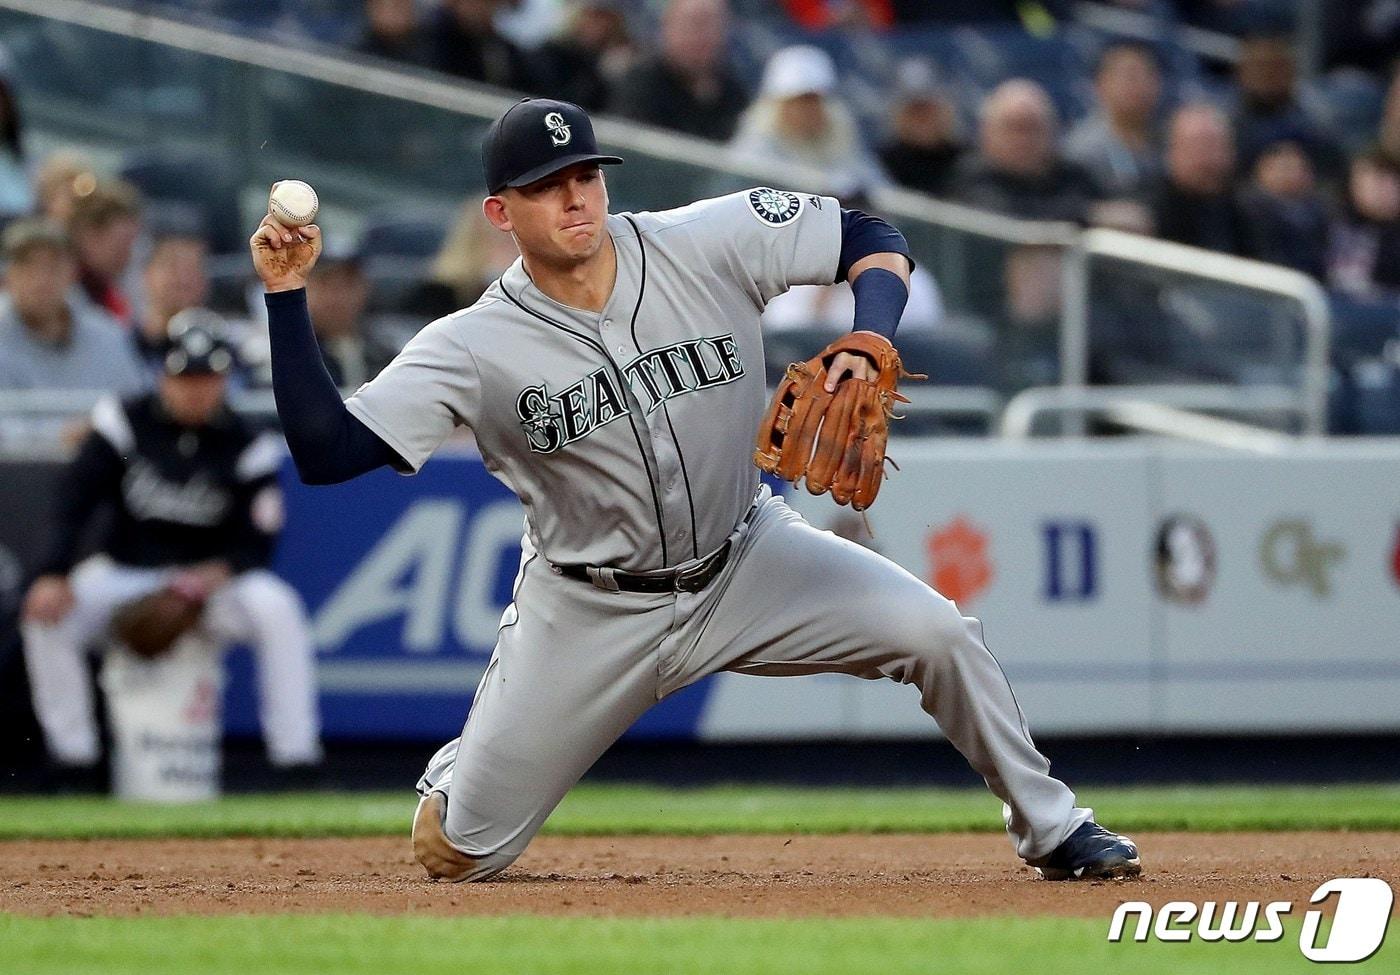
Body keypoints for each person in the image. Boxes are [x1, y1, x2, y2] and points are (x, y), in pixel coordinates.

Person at [250, 97, 1142, 884]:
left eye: (587, 175)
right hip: (588, 609)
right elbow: (327, 452)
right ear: (500, 211)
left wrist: (872, 337)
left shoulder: (699, 240)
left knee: (939, 631)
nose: (577, 197)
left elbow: (870, 236)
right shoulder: (471, 342)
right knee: (455, 850)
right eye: (549, 183)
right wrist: (288, 296)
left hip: (746, 555)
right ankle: (466, 766)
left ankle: (1056, 826)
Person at [19, 316, 323, 777]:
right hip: (125, 572)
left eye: (208, 378)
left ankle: (295, 759)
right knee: (45, 616)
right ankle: (72, 758)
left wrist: (210, 577)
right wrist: (52, 571)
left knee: (278, 609)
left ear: (225, 380)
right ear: (162, 374)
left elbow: (259, 539)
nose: (196, 390)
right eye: (185, 378)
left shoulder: (245, 441)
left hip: (210, 582)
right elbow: (71, 502)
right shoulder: (123, 420)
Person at [0, 219, 145, 394]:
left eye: (53, 267)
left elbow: (131, 404)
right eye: (27, 267)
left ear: (72, 273)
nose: (41, 280)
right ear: (7, 276)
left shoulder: (108, 335)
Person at [729, 45, 889, 198]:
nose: (807, 110)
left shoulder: (841, 140)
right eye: (797, 102)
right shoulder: (754, 149)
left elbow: (883, 193)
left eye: (814, 101)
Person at [950, 79, 1097, 224]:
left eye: (1033, 128)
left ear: (1053, 130)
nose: (1023, 140)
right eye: (1013, 128)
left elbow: (1110, 211)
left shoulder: (1074, 175)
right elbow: (1009, 222)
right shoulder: (970, 177)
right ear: (987, 132)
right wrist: (1085, 216)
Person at [610, 0, 749, 142]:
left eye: (714, 25)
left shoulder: (732, 93)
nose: (704, 36)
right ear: (667, 27)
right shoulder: (641, 87)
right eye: (695, 24)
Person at [1148, 103, 1253, 256]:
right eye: (1196, 146)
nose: (1206, 158)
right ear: (1171, 152)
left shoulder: (1250, 212)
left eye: (1213, 145)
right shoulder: (1151, 212)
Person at [1063, 41, 1165, 199]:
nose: (1141, 84)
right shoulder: (1082, 149)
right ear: (1101, 83)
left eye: (1149, 75)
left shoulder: (1170, 141)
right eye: (1130, 76)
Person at [876, 60, 964, 199]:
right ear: (897, 114)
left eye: (929, 109)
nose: (922, 119)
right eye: (914, 110)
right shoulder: (880, 163)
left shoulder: (967, 161)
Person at [66, 179, 143, 327]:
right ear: (89, 236)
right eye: (121, 246)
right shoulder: (65, 294)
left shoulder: (119, 287)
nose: (128, 256)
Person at [132, 232, 210, 375]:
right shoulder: (123, 347)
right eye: (172, 266)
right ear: (146, 275)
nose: (183, 278)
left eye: (192, 268)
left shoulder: (224, 352)